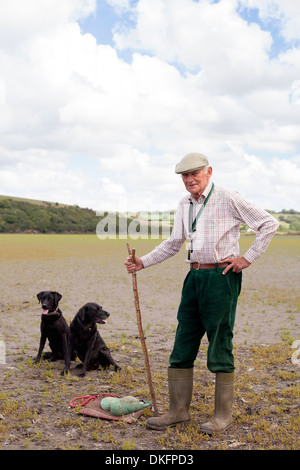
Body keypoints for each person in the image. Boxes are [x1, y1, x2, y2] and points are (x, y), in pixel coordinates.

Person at [124, 152, 279, 434]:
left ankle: (222, 415)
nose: (189, 179)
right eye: (184, 175)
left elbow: (269, 224)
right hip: (193, 276)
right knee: (183, 338)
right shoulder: (184, 204)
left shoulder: (228, 197)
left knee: (220, 339)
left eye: (195, 173)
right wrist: (142, 262)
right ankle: (178, 411)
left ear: (209, 171)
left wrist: (247, 258)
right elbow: (174, 243)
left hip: (221, 277)